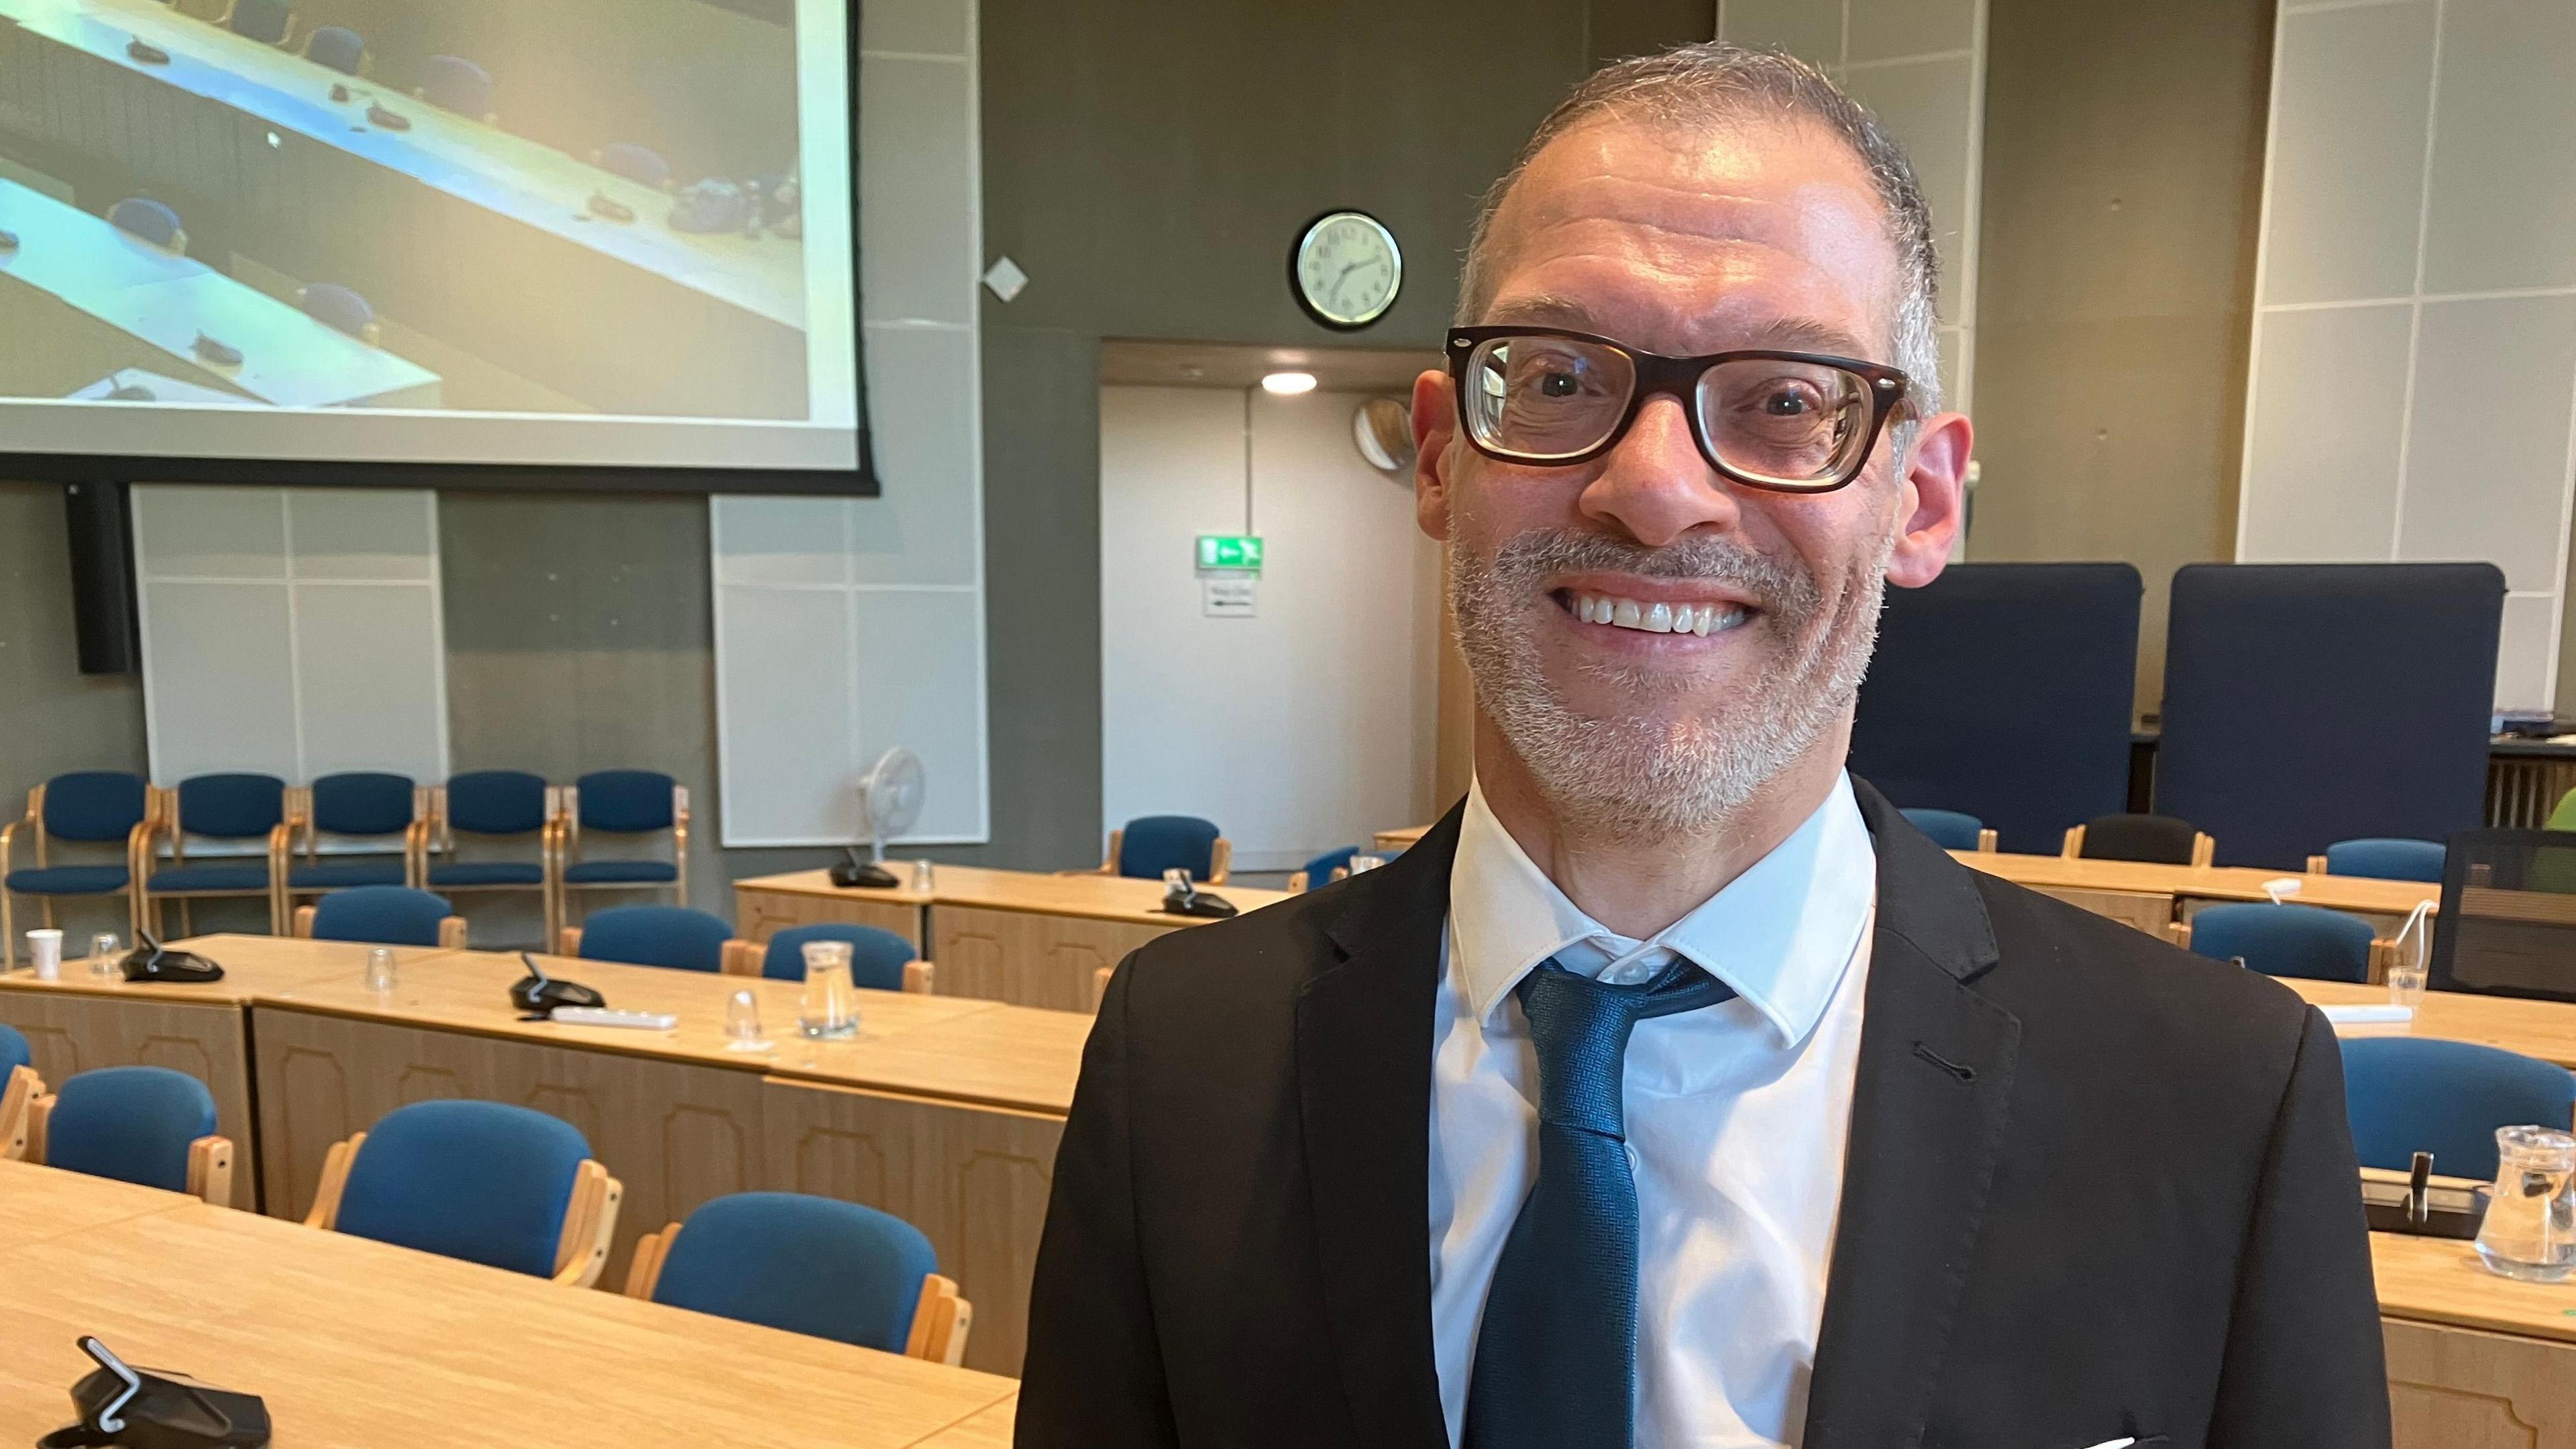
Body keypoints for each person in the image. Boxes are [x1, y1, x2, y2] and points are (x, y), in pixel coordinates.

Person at [1018, 42, 2388, 1449]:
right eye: (1555, 378)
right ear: (1441, 459)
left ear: (1921, 500)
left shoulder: (2216, 1100)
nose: (1655, 491)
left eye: (1787, 401)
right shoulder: (1179, 1059)